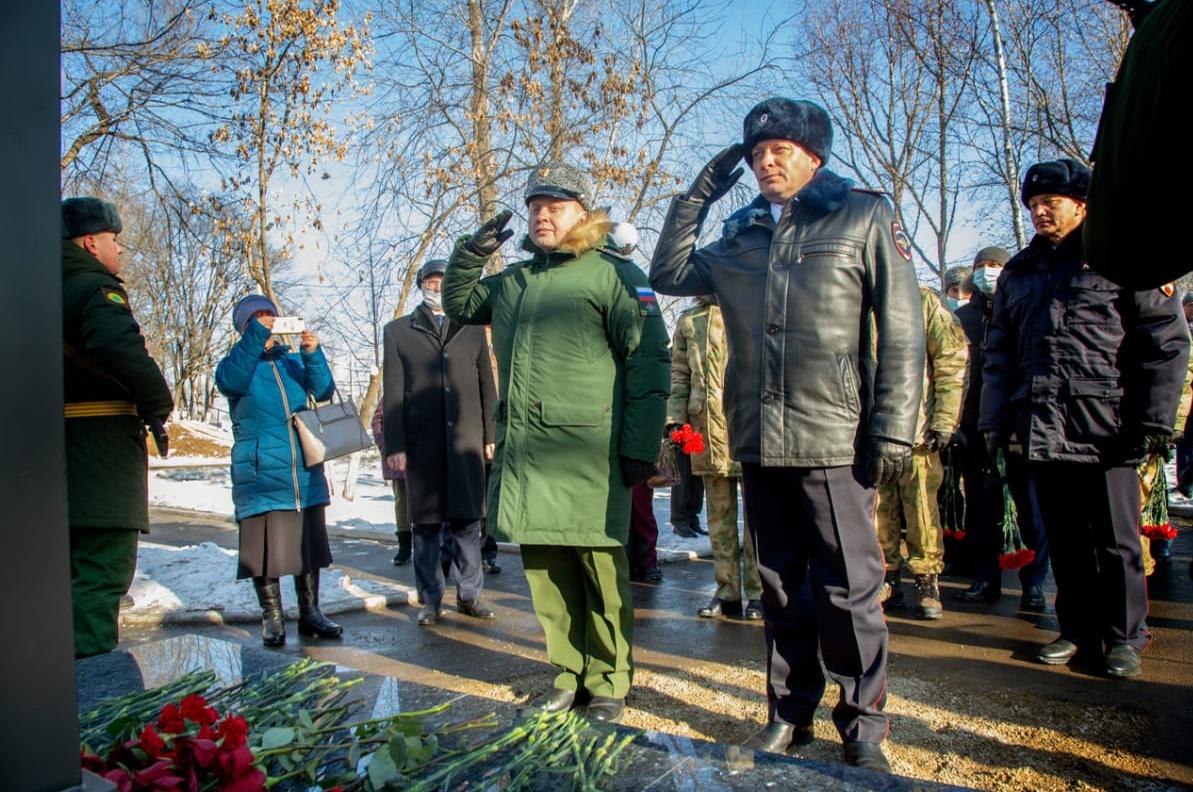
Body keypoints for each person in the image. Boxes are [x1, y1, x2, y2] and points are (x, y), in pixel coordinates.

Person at [650, 98, 924, 772]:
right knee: (777, 584)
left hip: (834, 433)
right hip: (757, 436)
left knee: (847, 587)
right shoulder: (739, 234)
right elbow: (667, 274)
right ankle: (788, 712)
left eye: (779, 149)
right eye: (754, 152)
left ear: (813, 156)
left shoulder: (860, 214)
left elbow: (903, 328)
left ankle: (862, 724)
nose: (764, 161)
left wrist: (894, 426)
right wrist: (695, 199)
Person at [443, 162, 670, 724]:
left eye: (557, 206)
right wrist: (473, 252)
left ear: (582, 214)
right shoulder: (516, 281)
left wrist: (641, 445)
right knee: (547, 577)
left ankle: (611, 681)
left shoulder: (620, 275)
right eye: (535, 207)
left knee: (601, 572)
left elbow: (650, 360)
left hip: (591, 455)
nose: (543, 215)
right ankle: (569, 674)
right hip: (530, 456)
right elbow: (460, 303)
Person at [980, 158, 1189, 678]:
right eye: (1033, 205)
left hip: (1107, 426)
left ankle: (1125, 635)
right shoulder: (1021, 272)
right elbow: (999, 351)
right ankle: (1075, 628)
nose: (1040, 213)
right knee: (1066, 536)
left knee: (1118, 540)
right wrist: (994, 421)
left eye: (1050, 203)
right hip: (1042, 424)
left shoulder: (1121, 258)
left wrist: (1155, 422)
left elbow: (1164, 343)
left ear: (1082, 204)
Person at [62, 196, 174, 657]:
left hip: (65, 452)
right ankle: (89, 703)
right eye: (114, 240)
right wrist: (157, 399)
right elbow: (117, 347)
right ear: (91, 242)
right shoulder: (93, 288)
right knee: (100, 573)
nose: (120, 251)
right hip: (99, 450)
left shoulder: (40, 286)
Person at [216, 294, 342, 647]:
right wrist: (255, 337)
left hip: (302, 467)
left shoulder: (290, 364)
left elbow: (324, 390)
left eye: (269, 316)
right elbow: (230, 383)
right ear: (245, 326)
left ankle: (311, 612)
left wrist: (312, 354)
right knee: (265, 547)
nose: (266, 323)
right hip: (261, 471)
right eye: (256, 318)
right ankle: (271, 617)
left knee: (308, 543)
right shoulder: (234, 365)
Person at [382, 259, 498, 626]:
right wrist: (395, 446)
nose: (436, 286)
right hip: (423, 445)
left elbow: (486, 387)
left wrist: (490, 435)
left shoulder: (473, 328)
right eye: (430, 281)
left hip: (466, 441)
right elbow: (394, 393)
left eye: (442, 281)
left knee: (468, 523)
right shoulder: (399, 331)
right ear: (420, 285)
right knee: (427, 527)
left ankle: (469, 595)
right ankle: (430, 600)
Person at [953, 248, 1050, 609]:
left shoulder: (1027, 310)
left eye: (995, 266)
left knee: (1031, 512)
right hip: (975, 429)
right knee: (981, 510)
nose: (987, 272)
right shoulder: (961, 319)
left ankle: (1034, 583)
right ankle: (984, 578)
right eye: (980, 266)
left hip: (1022, 430)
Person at [666, 295, 762, 619]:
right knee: (719, 517)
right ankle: (727, 593)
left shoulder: (755, 305)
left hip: (750, 425)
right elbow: (679, 374)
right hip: (705, 428)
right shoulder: (691, 320)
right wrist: (675, 420)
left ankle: (759, 592)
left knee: (757, 519)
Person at [875, 286, 967, 619]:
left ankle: (927, 580)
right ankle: (887, 577)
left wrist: (944, 419)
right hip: (872, 431)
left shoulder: (923, 300)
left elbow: (951, 358)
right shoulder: (858, 297)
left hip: (918, 430)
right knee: (877, 512)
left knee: (922, 511)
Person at [370, 404, 411, 566]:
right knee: (402, 503)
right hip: (398, 456)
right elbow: (377, 421)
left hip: (424, 458)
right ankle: (405, 547)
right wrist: (386, 446)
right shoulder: (393, 390)